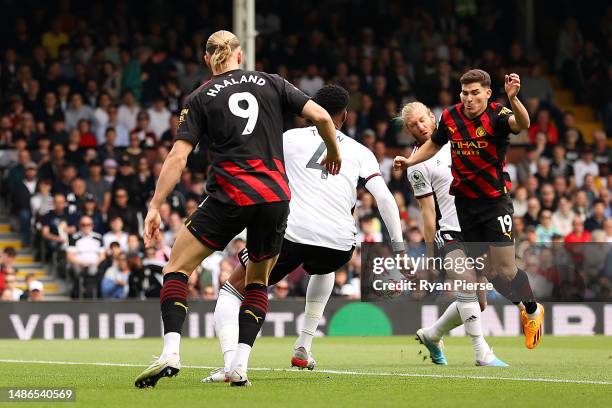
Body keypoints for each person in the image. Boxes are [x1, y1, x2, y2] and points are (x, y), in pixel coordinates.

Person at [134, 30, 341, 388]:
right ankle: (240, 367)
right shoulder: (273, 83)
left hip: (228, 196)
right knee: (257, 282)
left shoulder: (199, 97)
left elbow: (178, 156)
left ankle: (171, 351)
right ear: (239, 55)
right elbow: (323, 117)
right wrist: (334, 152)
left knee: (177, 268)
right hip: (274, 197)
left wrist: (155, 206)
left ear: (207, 60)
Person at [203, 85, 404, 383]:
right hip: (339, 243)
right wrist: (399, 250)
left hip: (290, 235)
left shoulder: (288, 139)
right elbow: (386, 200)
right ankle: (303, 346)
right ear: (345, 116)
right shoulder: (362, 152)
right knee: (325, 268)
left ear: (310, 110)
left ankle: (233, 363)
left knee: (232, 291)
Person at [394, 69, 545, 349]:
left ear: (487, 93)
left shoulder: (498, 115)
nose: (469, 98)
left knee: (506, 270)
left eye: (475, 92)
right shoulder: (451, 118)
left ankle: (532, 310)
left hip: (494, 202)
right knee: (482, 282)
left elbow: (522, 123)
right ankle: (437, 335)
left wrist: (514, 99)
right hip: (464, 208)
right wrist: (411, 162)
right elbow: (434, 146)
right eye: (465, 93)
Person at [399, 101, 506, 366]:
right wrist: (428, 252)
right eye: (413, 125)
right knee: (466, 285)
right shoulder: (417, 164)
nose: (419, 127)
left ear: (433, 117)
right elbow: (427, 211)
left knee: (478, 304)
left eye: (422, 120)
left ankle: (432, 335)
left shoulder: (462, 140)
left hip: (479, 228)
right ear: (408, 131)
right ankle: (482, 353)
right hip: (450, 230)